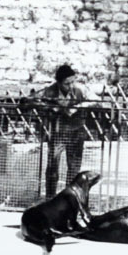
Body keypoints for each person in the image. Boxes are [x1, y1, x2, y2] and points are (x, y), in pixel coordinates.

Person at [32, 64, 89, 198]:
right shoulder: (50, 91)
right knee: (52, 167)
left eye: (72, 82)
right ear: (58, 82)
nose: (70, 86)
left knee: (74, 169)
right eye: (66, 84)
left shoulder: (80, 89)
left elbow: (97, 101)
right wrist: (51, 107)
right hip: (58, 133)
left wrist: (78, 107)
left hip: (76, 132)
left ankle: (70, 199)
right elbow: (28, 100)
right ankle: (50, 198)